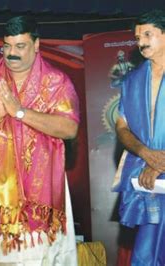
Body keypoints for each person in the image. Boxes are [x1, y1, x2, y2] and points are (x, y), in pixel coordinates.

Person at [0, 16, 79, 265]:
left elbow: (69, 128)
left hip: (44, 187)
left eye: (20, 46)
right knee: (2, 258)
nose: (11, 53)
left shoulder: (56, 82)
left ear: (36, 45)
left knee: (46, 256)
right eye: (7, 46)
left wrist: (20, 112)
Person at [113, 10, 165, 265]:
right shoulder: (132, 81)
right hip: (147, 180)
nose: (141, 42)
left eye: (148, 34)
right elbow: (122, 127)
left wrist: (158, 164)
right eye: (137, 37)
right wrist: (146, 154)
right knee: (146, 254)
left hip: (153, 171)